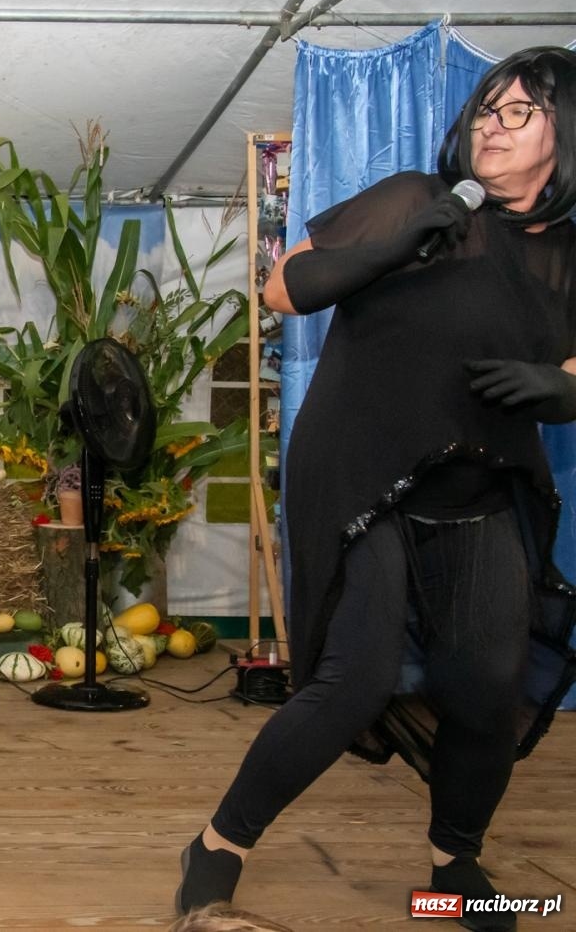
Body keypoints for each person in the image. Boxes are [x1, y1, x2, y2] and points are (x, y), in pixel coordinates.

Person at [176, 47, 576, 926]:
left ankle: (454, 866)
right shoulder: (412, 198)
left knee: (486, 681)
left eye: (518, 112)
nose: (491, 125)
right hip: (363, 474)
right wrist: (399, 245)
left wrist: (567, 388)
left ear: (566, 133)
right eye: (485, 109)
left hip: (480, 485)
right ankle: (217, 843)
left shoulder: (569, 258)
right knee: (352, 681)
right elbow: (283, 289)